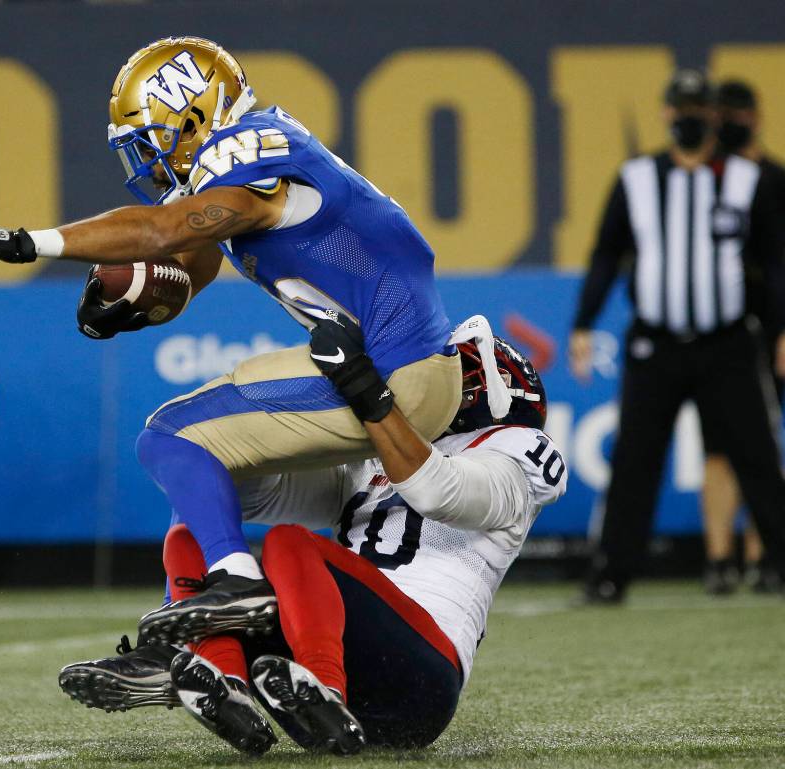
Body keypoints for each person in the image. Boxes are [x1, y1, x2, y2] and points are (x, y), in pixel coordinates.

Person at [0, 37, 464, 630]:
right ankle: (189, 628)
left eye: (151, 140)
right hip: (401, 367)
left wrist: (28, 242)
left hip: (393, 372)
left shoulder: (247, 145)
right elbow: (195, 256)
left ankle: (236, 584)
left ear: (192, 119)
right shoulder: (255, 154)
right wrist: (142, 301)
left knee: (170, 437)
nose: (145, 159)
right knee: (203, 475)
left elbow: (166, 230)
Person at [59, 315, 567, 756]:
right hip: (332, 644)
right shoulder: (373, 453)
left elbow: (440, 492)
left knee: (291, 542)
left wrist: (369, 394)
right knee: (192, 529)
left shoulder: (517, 450)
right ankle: (222, 679)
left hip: (420, 676)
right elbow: (250, 492)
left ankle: (322, 689)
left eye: (458, 371)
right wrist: (240, 434)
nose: (431, 376)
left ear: (498, 390)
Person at [568, 69, 785, 604]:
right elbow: (606, 252)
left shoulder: (745, 179)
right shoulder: (638, 177)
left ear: (712, 115)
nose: (688, 118)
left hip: (726, 342)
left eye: (697, 109)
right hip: (656, 344)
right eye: (681, 109)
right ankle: (611, 574)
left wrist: (781, 331)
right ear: (667, 113)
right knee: (634, 462)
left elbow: (775, 261)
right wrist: (583, 322)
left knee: (756, 457)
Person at [700, 79, 785, 594]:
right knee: (719, 445)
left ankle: (764, 555)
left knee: (761, 448)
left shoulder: (772, 179)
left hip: (766, 330)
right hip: (725, 333)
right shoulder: (707, 177)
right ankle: (720, 558)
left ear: (753, 116)